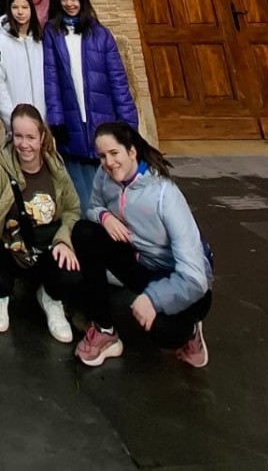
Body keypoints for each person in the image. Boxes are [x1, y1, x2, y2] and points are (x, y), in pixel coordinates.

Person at [71, 121, 212, 369]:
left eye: (114, 153)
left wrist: (153, 298)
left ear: (132, 151)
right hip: (139, 261)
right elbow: (92, 208)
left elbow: (195, 276)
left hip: (178, 277)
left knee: (164, 332)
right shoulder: (104, 175)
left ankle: (190, 330)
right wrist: (104, 217)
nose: (108, 162)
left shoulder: (164, 194)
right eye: (102, 156)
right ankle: (105, 331)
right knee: (84, 232)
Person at [0, 103, 79, 342]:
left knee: (70, 272)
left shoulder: (54, 167)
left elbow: (72, 209)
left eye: (31, 137)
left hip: (45, 249)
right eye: (19, 136)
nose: (24, 144)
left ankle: (51, 298)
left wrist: (65, 239)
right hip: (8, 249)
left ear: (42, 136)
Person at [44, 0, 137, 213]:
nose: (69, 3)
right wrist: (56, 121)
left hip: (103, 124)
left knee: (116, 197)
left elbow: (118, 82)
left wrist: (129, 126)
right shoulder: (53, 34)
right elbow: (51, 78)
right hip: (72, 126)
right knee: (84, 201)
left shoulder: (100, 34)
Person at [0, 0, 46, 132]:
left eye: (25, 7)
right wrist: (12, 120)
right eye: (15, 7)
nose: (20, 12)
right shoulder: (0, 42)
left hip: (43, 122)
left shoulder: (40, 40)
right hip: (17, 123)